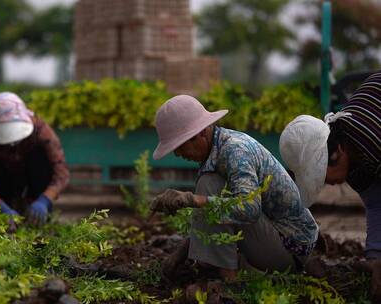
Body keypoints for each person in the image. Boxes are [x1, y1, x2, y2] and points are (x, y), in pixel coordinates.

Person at [149, 95, 318, 280]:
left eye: (180, 146)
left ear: (201, 134)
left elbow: (250, 209)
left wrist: (193, 199)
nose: (178, 153)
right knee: (209, 188)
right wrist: (179, 254)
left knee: (208, 186)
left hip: (289, 250)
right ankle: (227, 269)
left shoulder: (235, 151)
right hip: (274, 239)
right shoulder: (217, 151)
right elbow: (217, 214)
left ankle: (229, 282)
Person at [280, 71, 381, 300]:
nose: (328, 184)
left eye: (322, 175)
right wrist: (375, 258)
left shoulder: (371, 139)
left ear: (336, 153)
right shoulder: (355, 166)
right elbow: (376, 204)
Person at [0, 92, 69, 227]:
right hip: (3, 181)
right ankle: (5, 209)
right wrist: (0, 207)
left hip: (33, 178)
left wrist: (44, 200)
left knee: (39, 158)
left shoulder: (41, 131)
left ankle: (35, 210)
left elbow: (61, 174)